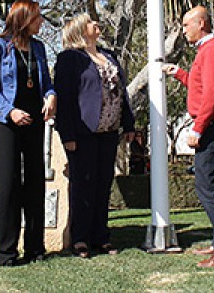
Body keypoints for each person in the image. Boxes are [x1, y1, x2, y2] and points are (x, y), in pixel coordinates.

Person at [162, 6, 214, 268]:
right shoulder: (207, 51)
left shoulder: (213, 51)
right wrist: (180, 74)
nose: (183, 30)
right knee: (212, 184)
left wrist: (198, 128)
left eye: (187, 25)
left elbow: (212, 96)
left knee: (208, 185)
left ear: (201, 23)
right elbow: (203, 87)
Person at [54, 13, 136, 258]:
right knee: (83, 186)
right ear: (80, 30)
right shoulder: (70, 59)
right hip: (83, 134)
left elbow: (122, 93)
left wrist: (128, 124)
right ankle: (80, 238)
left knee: (103, 185)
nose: (96, 25)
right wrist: (67, 134)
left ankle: (101, 236)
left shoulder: (108, 56)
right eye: (91, 23)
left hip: (108, 134)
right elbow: (65, 99)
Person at [0, 0, 57, 267]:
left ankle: (35, 249)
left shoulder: (38, 48)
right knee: (8, 186)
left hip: (35, 122)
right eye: (38, 17)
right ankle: (5, 252)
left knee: (36, 182)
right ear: (24, 19)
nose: (41, 22)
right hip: (8, 123)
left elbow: (46, 83)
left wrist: (50, 96)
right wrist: (10, 111)